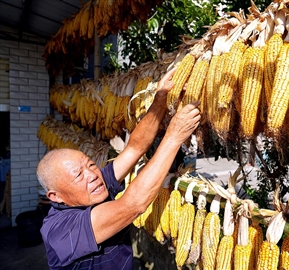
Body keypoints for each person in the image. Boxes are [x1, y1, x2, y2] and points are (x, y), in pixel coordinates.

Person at [37, 68, 201, 270]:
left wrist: (160, 99)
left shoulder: (96, 187)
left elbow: (135, 148)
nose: (93, 175)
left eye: (90, 164)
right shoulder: (61, 231)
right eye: (79, 175)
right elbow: (132, 205)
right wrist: (174, 137)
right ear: (56, 196)